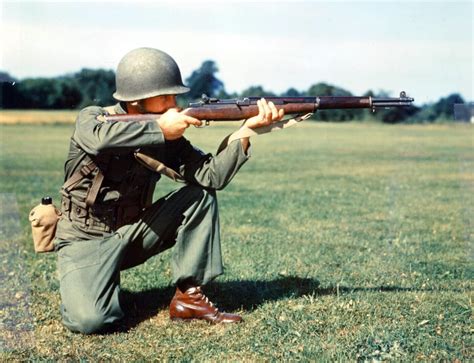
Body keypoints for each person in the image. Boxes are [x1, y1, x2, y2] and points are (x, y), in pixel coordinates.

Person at [54, 47, 285, 334]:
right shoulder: (93, 119)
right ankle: (87, 284)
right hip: (84, 240)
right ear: (137, 101)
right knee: (91, 321)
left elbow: (210, 176)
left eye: (175, 95)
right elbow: (99, 141)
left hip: (132, 235)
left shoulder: (170, 138)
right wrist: (160, 129)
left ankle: (188, 298)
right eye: (165, 96)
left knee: (199, 197)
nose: (174, 103)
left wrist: (247, 130)